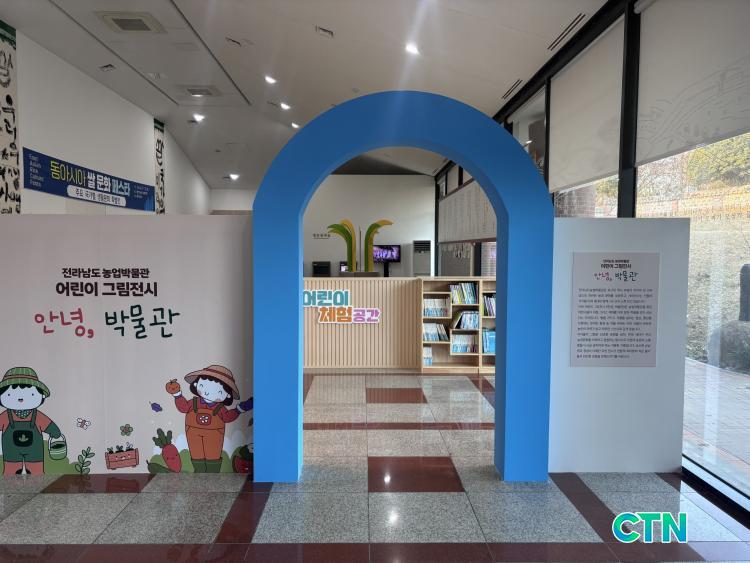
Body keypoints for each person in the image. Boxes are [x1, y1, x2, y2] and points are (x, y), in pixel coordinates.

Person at [165, 365, 251, 473]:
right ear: (196, 384)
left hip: (214, 435)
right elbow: (183, 408)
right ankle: (199, 472)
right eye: (203, 385)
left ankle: (213, 473)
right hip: (193, 434)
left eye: (219, 391)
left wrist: (239, 409)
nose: (207, 392)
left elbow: (227, 417)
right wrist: (177, 394)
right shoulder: (194, 402)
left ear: (228, 395)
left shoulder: (220, 408)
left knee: (213, 454)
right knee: (196, 453)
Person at [0, 367, 63, 475]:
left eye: (31, 394)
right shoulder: (5, 416)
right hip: (11, 452)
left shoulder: (38, 416)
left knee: (36, 472)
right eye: (10, 395)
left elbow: (51, 427)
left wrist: (56, 434)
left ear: (41, 396)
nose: (20, 399)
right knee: (11, 472)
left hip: (35, 452)